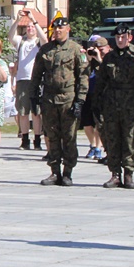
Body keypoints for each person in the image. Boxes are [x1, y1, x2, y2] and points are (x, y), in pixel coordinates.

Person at [29, 17, 88, 186]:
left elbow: (83, 77)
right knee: (52, 136)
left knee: (69, 136)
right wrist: (33, 97)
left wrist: (80, 100)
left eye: (61, 28)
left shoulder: (76, 49)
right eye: (55, 28)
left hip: (68, 98)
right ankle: (55, 171)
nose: (57, 31)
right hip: (49, 99)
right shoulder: (45, 50)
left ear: (68, 29)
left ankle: (68, 172)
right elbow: (36, 75)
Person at [93, 23, 134, 189]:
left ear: (129, 38)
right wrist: (96, 103)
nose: (119, 40)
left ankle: (128, 174)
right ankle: (115, 174)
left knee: (129, 140)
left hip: (130, 104)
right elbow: (101, 81)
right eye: (117, 37)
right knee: (112, 139)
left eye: (123, 37)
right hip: (111, 104)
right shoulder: (109, 57)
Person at [9, 9, 48, 152]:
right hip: (22, 79)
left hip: (36, 80)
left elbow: (45, 40)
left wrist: (34, 20)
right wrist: (17, 20)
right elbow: (10, 36)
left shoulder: (38, 42)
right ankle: (25, 140)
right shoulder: (21, 41)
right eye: (28, 26)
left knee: (36, 112)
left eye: (32, 27)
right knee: (23, 112)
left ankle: (37, 140)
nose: (30, 28)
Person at [80, 37, 107, 162]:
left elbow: (108, 71)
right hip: (87, 93)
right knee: (87, 123)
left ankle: (98, 147)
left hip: (100, 94)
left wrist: (99, 58)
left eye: (100, 49)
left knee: (99, 123)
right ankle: (92, 144)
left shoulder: (108, 58)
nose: (97, 51)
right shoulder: (89, 58)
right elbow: (82, 72)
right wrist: (88, 58)